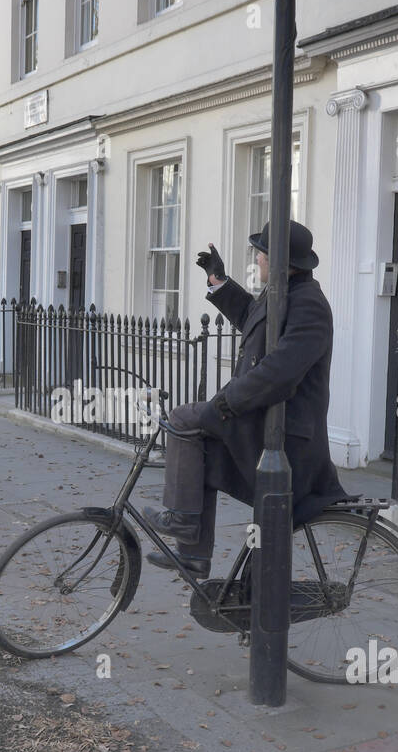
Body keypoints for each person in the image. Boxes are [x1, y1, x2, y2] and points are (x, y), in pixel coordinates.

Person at [143, 220, 349, 577]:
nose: (257, 258)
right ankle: (193, 554)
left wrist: (227, 402)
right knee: (200, 456)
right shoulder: (285, 294)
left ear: (280, 261)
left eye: (262, 252)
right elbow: (255, 319)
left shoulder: (309, 305)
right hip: (264, 425)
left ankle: (182, 522)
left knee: (183, 418)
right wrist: (219, 283)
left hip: (285, 443)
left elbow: (281, 371)